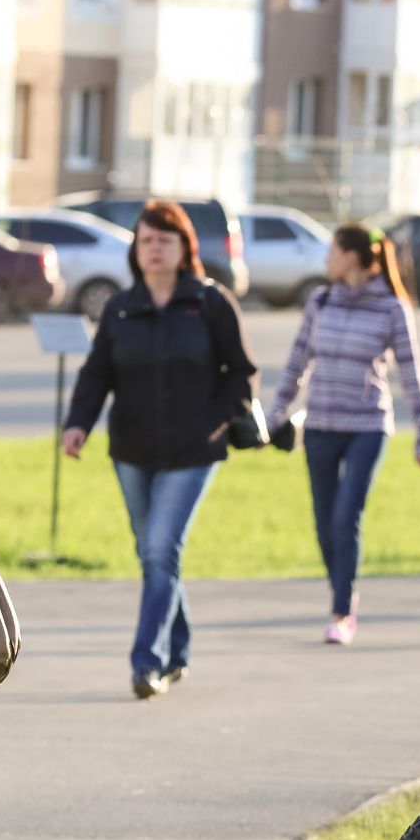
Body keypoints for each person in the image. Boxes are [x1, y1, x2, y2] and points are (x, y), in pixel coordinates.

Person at [59, 199, 257, 699]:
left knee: (160, 548)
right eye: (145, 239)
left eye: (163, 240)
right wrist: (78, 424)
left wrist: (217, 419)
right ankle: (180, 649)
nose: (153, 248)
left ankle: (145, 662)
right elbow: (96, 374)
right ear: (135, 249)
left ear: (183, 247)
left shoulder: (211, 302)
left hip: (194, 451)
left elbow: (241, 373)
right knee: (154, 556)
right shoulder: (120, 307)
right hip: (131, 449)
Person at [269, 225, 420, 644]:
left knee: (347, 517)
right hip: (321, 424)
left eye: (333, 250)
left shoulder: (393, 309)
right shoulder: (320, 300)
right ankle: (343, 587)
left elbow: (411, 375)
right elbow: (296, 361)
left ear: (354, 257)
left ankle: (342, 612)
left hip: (367, 426)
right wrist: (276, 412)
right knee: (324, 524)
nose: (326, 259)